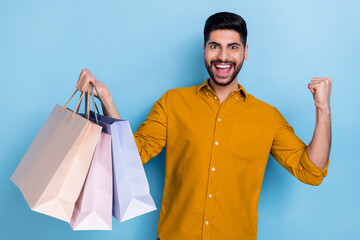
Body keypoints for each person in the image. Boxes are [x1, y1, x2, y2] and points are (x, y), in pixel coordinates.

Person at [76, 12, 331, 240]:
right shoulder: (172, 102)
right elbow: (131, 156)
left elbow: (311, 171)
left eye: (233, 47)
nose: (223, 56)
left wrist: (323, 109)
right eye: (214, 46)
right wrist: (107, 100)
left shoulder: (267, 116)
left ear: (245, 51)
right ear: (204, 49)